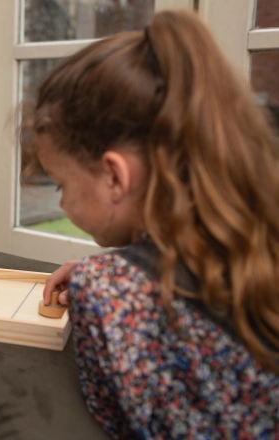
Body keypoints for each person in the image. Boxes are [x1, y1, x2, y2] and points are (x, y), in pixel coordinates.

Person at [22, 9, 279, 439]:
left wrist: (103, 281)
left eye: (61, 184)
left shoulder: (108, 294)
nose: (63, 202)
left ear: (115, 177)